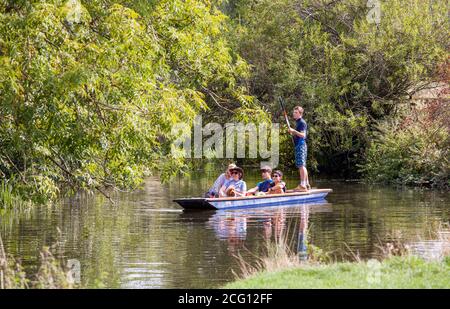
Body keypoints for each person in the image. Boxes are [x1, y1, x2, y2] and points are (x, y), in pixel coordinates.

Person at [288, 106, 310, 191]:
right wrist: (292, 132)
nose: (294, 114)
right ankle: (306, 184)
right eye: (294, 112)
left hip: (301, 145)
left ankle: (303, 185)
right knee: (302, 165)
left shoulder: (302, 122)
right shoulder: (298, 123)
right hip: (299, 145)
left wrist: (293, 131)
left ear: (300, 114)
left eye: (296, 112)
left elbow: (303, 135)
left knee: (301, 165)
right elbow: (297, 134)